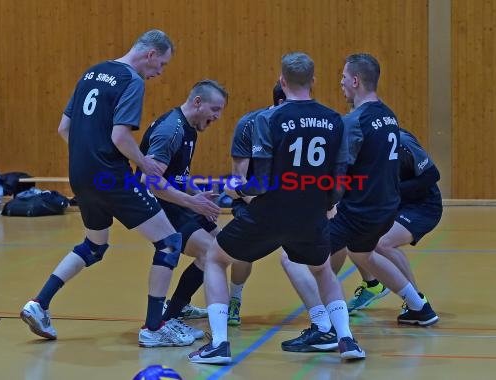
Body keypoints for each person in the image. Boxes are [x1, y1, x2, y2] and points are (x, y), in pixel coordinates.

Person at [20, 29, 196, 347]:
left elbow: (64, 128)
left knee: (94, 245)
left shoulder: (92, 72)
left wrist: (87, 158)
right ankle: (155, 329)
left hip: (81, 174)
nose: (160, 73)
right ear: (151, 54)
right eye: (162, 65)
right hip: (110, 176)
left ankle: (39, 304)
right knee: (170, 242)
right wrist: (144, 163)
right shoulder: (132, 81)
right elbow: (120, 137)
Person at [188, 52, 366, 364]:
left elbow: (260, 182)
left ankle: (218, 344)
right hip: (311, 213)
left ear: (282, 82)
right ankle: (346, 340)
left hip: (269, 213)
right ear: (313, 81)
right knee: (323, 270)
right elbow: (339, 181)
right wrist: (326, 206)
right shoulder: (334, 120)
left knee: (216, 259)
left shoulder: (267, 119)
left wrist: (235, 189)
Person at [328, 53, 438, 326]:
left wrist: (325, 200)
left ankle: (326, 325)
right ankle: (418, 306)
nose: (340, 83)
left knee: (300, 255)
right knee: (362, 252)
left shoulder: (354, 121)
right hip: (384, 205)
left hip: (364, 208)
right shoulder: (388, 115)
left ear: (355, 81)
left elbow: (342, 172)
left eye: (343, 77)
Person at [137, 79, 227, 344]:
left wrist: (195, 194)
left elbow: (175, 176)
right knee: (210, 252)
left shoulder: (189, 129)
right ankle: (170, 316)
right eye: (215, 109)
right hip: (158, 205)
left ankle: (179, 308)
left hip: (176, 200)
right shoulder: (171, 130)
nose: (217, 117)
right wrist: (192, 203)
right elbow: (149, 181)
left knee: (222, 248)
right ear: (197, 102)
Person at [330, 127, 443, 315]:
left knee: (383, 245)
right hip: (389, 203)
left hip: (421, 207)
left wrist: (392, 189)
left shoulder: (403, 142)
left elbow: (432, 176)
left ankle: (417, 303)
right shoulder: (357, 147)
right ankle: (372, 284)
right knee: (352, 234)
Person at [226, 81, 286, 326]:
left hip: (293, 201)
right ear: (281, 103)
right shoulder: (249, 125)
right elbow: (237, 179)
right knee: (241, 251)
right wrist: (260, 203)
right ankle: (234, 300)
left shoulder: (303, 124)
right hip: (255, 199)